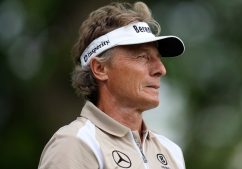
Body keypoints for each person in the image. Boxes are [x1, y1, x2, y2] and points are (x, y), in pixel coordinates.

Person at [38, 1, 185, 169]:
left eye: (158, 58)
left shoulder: (171, 151)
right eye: (143, 57)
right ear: (100, 68)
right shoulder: (75, 143)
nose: (161, 69)